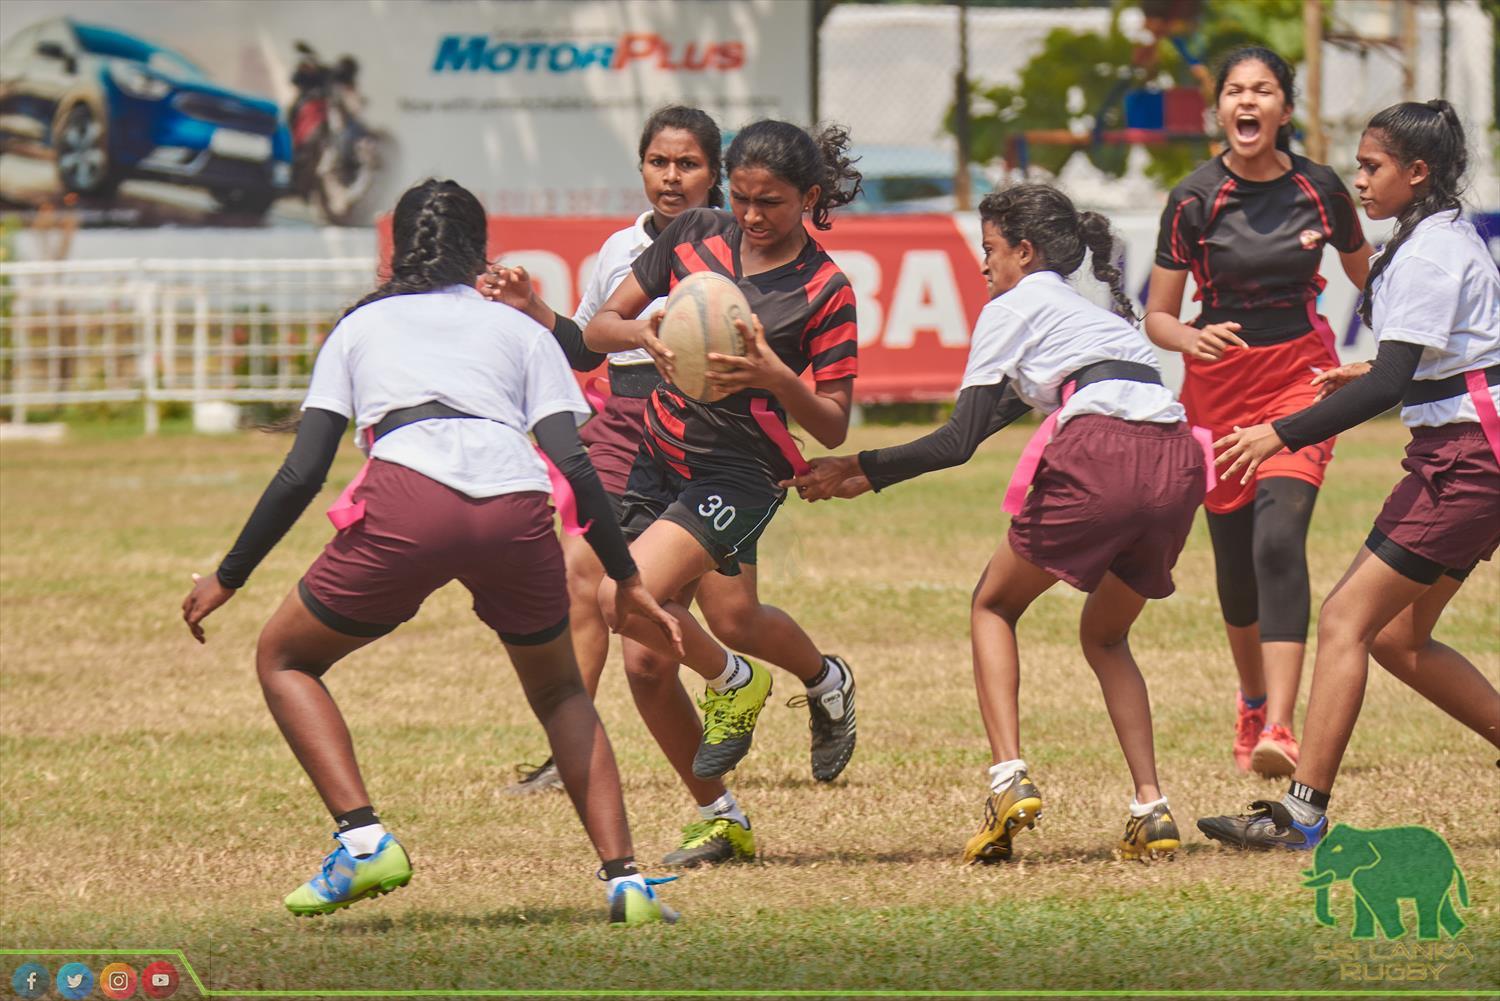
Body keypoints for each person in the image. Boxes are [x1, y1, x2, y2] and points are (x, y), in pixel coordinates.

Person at [179, 179, 682, 923]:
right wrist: (627, 578)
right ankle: (626, 882)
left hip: (409, 498)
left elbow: (302, 471)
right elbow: (573, 466)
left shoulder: (361, 326)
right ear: (480, 251)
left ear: (395, 251)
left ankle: (363, 841)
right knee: (561, 692)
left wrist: (229, 576)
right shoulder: (516, 328)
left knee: (284, 658)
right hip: (515, 506)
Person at [787, 184, 1208, 863]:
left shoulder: (1013, 305)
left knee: (994, 603)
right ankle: (1150, 805)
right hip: (1179, 462)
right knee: (1107, 636)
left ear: (1024, 250)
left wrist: (858, 462)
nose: (983, 264)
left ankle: (1008, 777)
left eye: (989, 249)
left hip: (1102, 450)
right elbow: (989, 423)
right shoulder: (1090, 314)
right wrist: (861, 475)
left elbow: (957, 440)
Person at [1198, 100, 1499, 850]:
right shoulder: (1435, 236)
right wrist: (1371, 367)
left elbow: (1392, 383)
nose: (1358, 180)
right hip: (1467, 453)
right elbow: (1444, 355)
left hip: (1467, 461)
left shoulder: (1430, 251)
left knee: (1344, 620)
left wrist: (1280, 431)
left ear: (1417, 172)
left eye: (1372, 167)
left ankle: (1302, 813)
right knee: (1398, 637)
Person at [580, 119, 864, 864]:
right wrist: (640, 333)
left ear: (808, 197)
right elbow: (599, 327)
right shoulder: (693, 233)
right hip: (658, 454)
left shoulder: (826, 289)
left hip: (740, 474)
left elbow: (831, 424)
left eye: (769, 202)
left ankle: (735, 682)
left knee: (623, 602)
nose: (751, 217)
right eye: (741, 198)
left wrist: (775, 375)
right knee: (648, 655)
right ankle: (720, 814)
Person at [480, 105, 727, 798]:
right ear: (642, 167)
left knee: (736, 617)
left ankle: (817, 681)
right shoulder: (621, 249)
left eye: (689, 164)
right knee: (581, 576)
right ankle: (571, 745)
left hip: (710, 442)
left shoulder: (736, 246)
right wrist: (536, 309)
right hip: (625, 429)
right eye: (659, 162)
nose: (672, 177)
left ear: (716, 174)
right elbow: (588, 345)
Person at [1143, 45, 1372, 779]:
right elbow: (1157, 315)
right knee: (1236, 564)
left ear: (1284, 108)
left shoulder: (1322, 188)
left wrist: (1385, 356)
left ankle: (1280, 724)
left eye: (1263, 90)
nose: (1248, 101)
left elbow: (1376, 279)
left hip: (1300, 380)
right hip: (1216, 391)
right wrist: (1189, 337)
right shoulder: (1192, 198)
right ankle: (1249, 699)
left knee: (1281, 536)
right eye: (1235, 90)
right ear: (1220, 109)